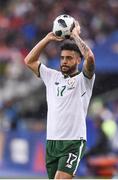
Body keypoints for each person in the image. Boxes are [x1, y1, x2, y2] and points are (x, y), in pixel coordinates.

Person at [24, 21, 95, 179]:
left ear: (78, 60)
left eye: (69, 58)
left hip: (73, 142)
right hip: (52, 142)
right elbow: (29, 61)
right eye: (62, 58)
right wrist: (48, 38)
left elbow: (89, 57)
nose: (64, 61)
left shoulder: (84, 80)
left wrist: (75, 35)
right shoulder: (51, 77)